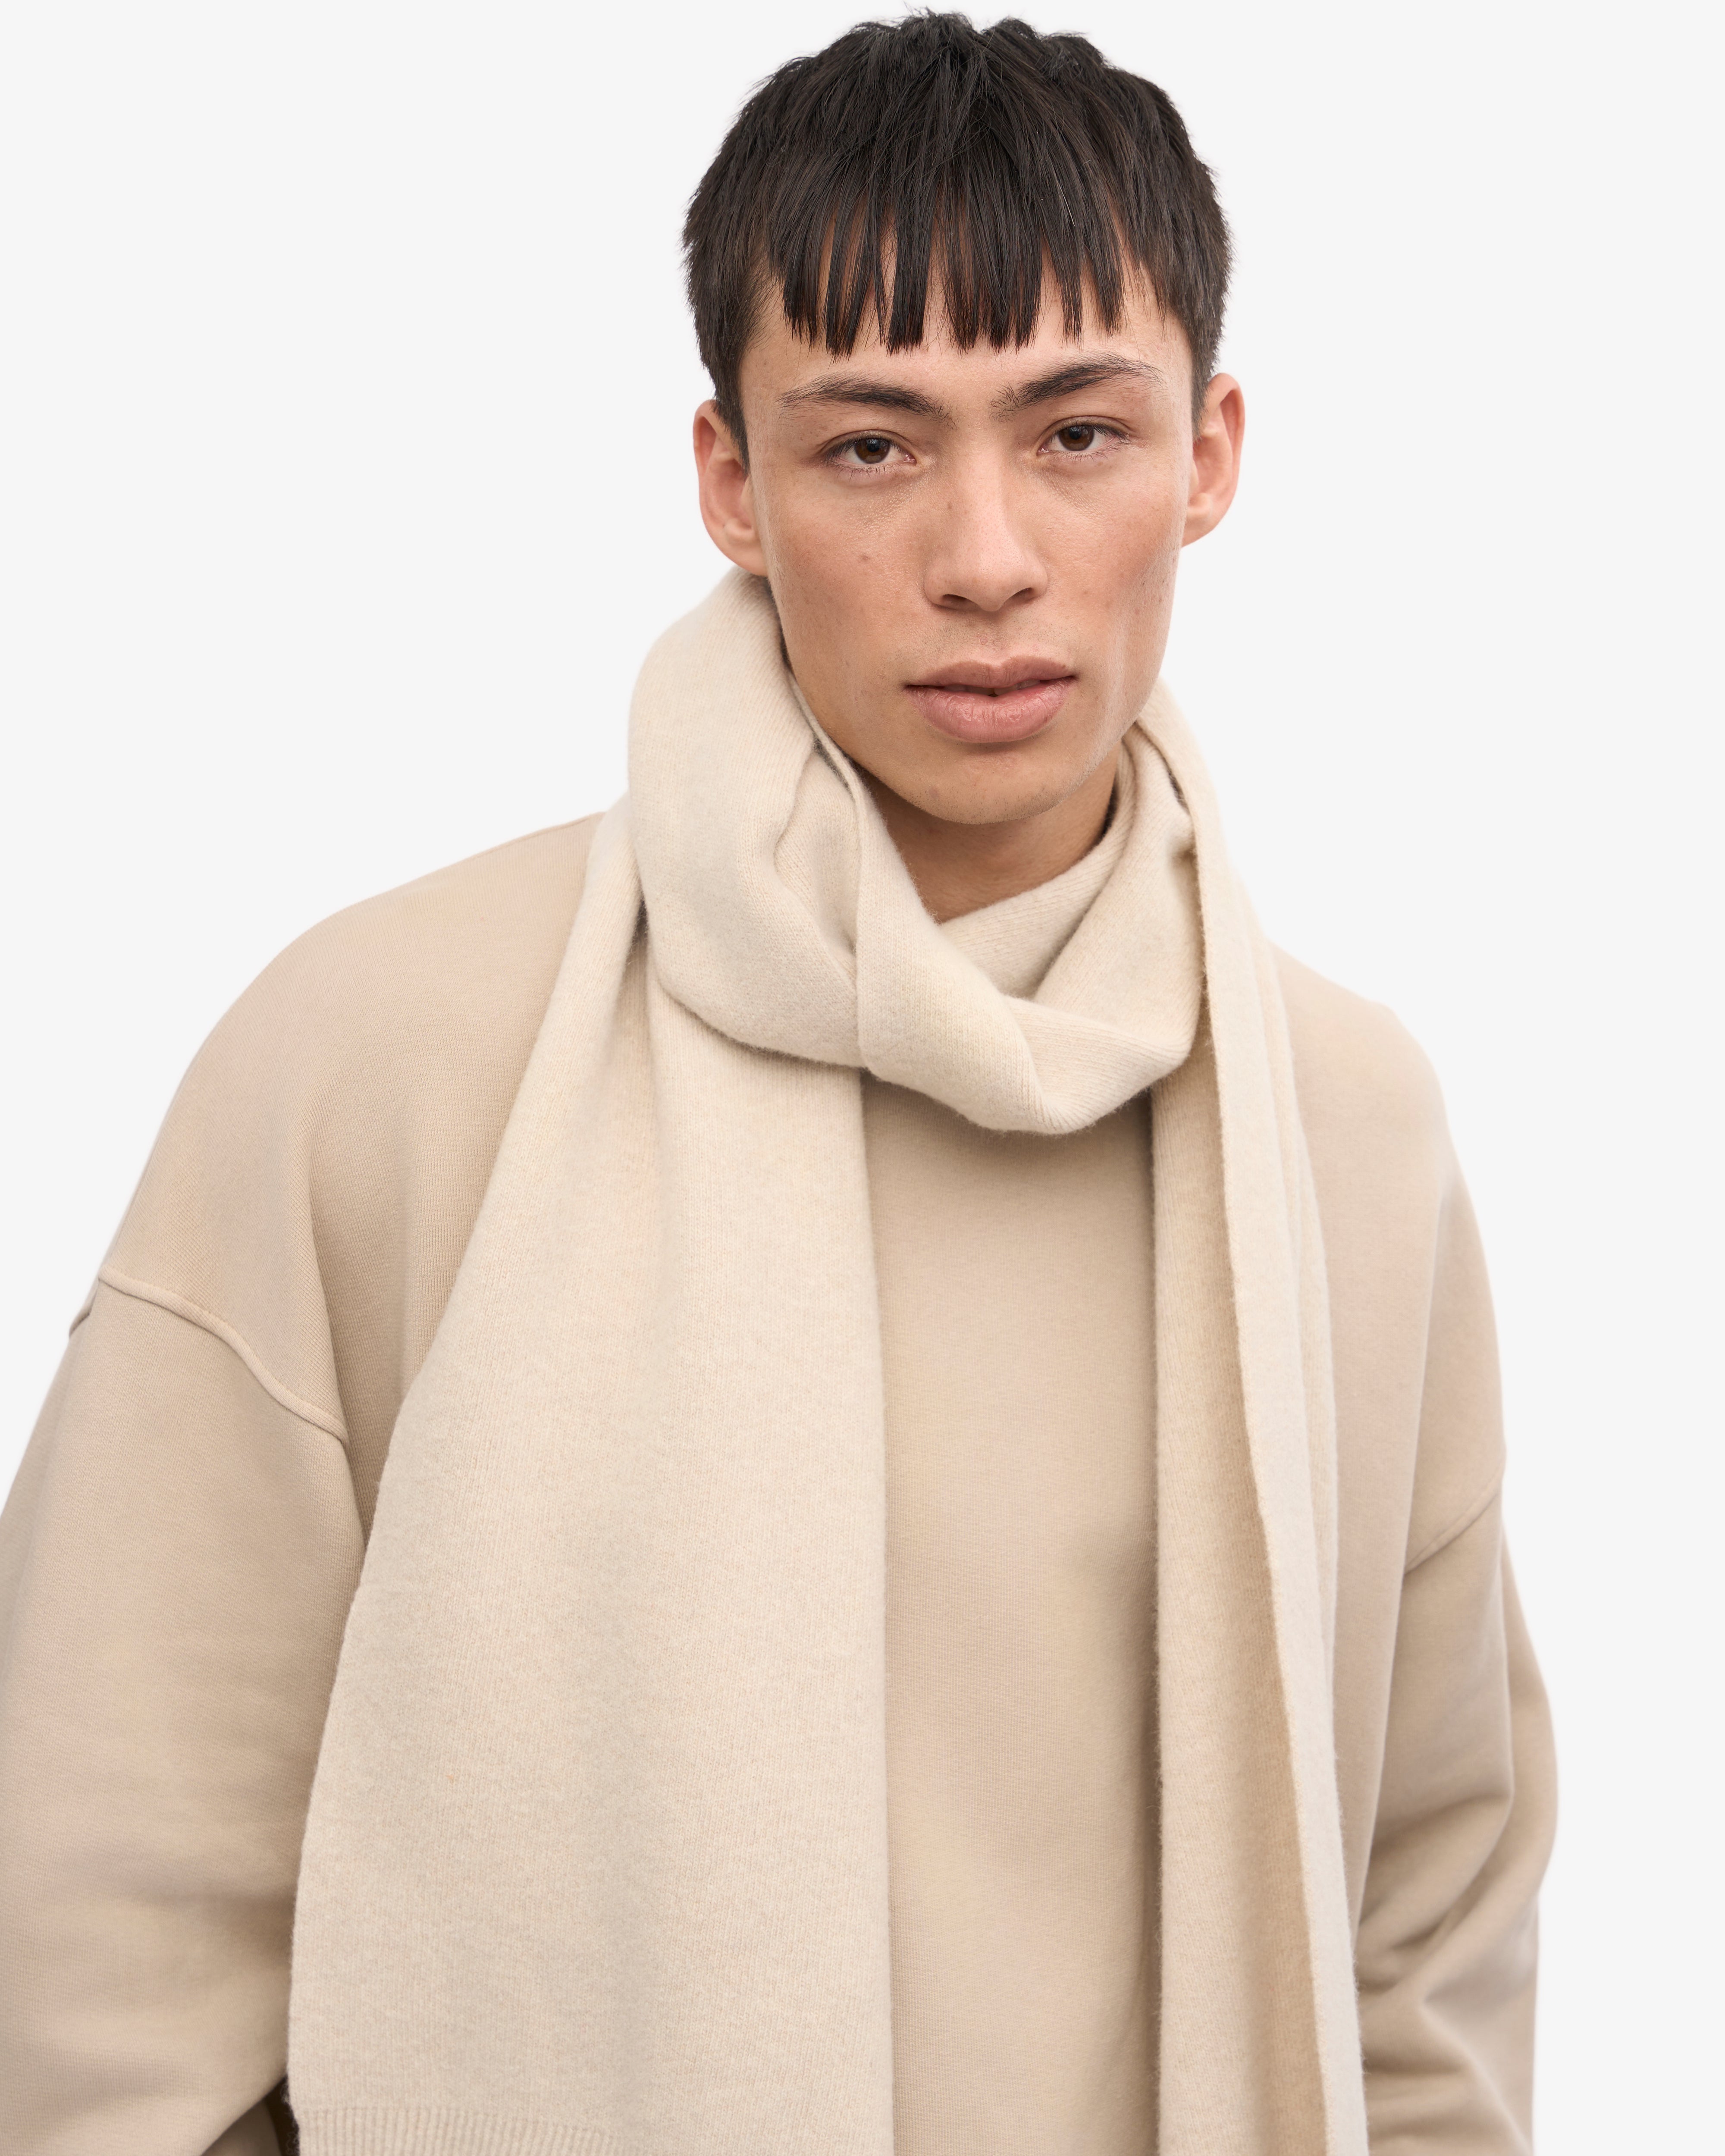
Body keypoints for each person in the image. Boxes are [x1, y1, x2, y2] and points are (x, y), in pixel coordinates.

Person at [0, 14, 1556, 2155]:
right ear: (732, 481)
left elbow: (1426, 1936)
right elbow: (93, 1915)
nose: (986, 554)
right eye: (872, 447)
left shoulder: (1346, 1129)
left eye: (1076, 432)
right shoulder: (382, 1052)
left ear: (1207, 453)